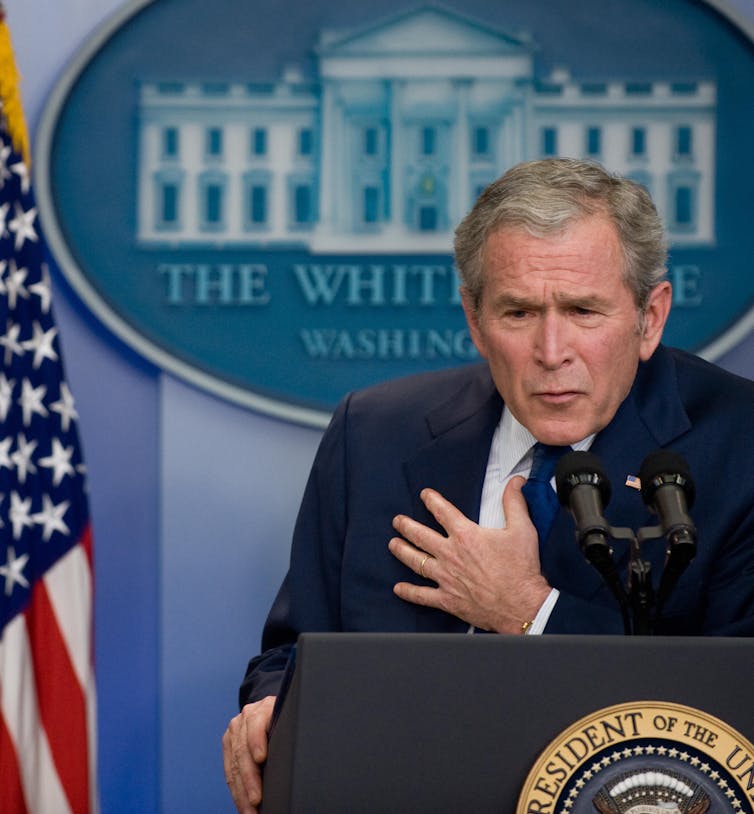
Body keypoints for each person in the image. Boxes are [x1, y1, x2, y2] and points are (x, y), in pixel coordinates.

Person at [222, 158, 754, 812]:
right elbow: (292, 651)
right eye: (519, 312)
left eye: (584, 310)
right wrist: (270, 706)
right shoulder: (376, 433)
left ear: (650, 318)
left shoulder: (739, 447)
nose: (551, 349)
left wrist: (529, 612)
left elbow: (735, 713)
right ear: (475, 320)